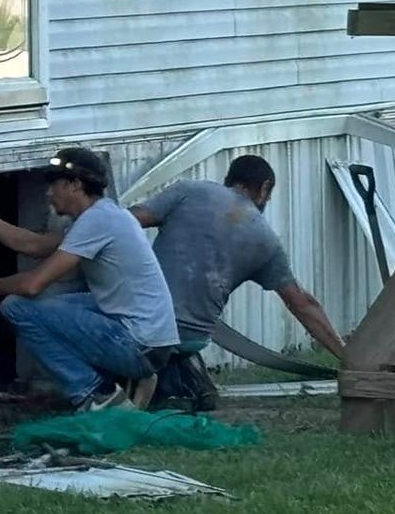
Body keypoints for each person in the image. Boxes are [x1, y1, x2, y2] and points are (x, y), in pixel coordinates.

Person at [0, 147, 181, 412]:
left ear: (75, 185)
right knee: (56, 304)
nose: (48, 194)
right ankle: (132, 379)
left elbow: (33, 285)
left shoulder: (98, 221)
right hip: (151, 341)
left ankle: (95, 395)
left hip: (139, 345)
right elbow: (32, 245)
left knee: (17, 307)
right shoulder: (104, 215)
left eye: (54, 185)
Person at [130, 154, 345, 410]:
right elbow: (302, 304)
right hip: (192, 338)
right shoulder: (266, 240)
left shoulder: (188, 191)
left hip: (143, 326)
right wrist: (346, 356)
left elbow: (125, 222)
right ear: (264, 188)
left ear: (229, 178)